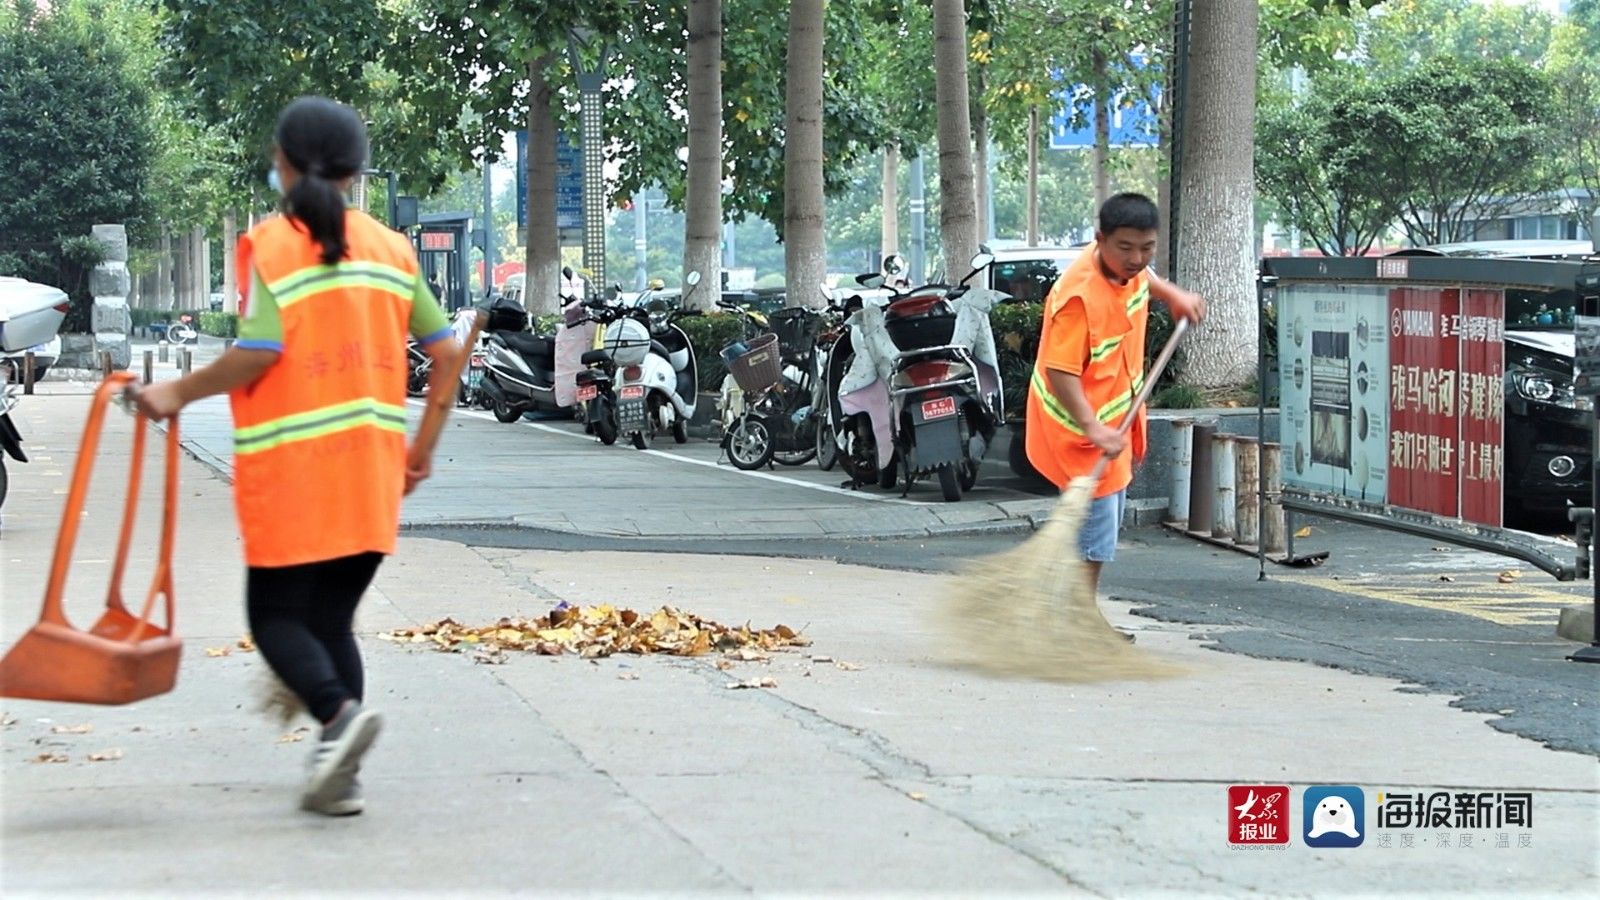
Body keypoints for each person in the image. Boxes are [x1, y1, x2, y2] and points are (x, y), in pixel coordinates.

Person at [131, 96, 462, 817]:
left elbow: (257, 352)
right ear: (356, 170)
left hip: (295, 477)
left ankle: (339, 722)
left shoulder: (275, 247)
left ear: (281, 163)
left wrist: (173, 395)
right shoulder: (393, 251)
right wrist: (422, 450)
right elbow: (447, 353)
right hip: (373, 471)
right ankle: (336, 772)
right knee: (332, 621)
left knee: (276, 618)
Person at [1025, 192, 1204, 611]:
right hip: (1077, 429)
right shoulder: (1078, 297)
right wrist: (1091, 427)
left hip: (1113, 422)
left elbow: (1146, 279)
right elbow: (1060, 371)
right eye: (1126, 247)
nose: (1137, 258)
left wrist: (1172, 294)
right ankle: (1079, 620)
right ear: (1099, 239)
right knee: (1097, 526)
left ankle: (1074, 613)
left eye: (1148, 247)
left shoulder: (1130, 267)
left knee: (1105, 517)